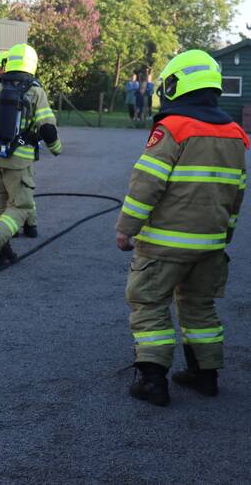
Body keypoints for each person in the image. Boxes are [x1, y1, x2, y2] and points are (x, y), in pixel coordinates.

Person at [116, 50, 247, 407]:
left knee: (148, 303)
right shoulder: (236, 135)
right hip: (211, 245)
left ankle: (152, 381)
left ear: (175, 85)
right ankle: (205, 376)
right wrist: (225, 235)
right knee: (200, 307)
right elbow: (236, 194)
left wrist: (126, 228)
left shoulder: (173, 128)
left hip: (163, 245)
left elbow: (147, 184)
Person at [0, 43, 62, 270]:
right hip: (18, 160)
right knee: (21, 206)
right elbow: (47, 127)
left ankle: (1, 250)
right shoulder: (35, 91)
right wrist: (57, 147)